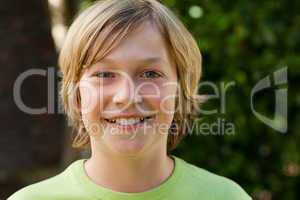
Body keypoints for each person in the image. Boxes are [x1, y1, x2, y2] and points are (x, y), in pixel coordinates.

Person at [8, 0, 252, 199]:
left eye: (150, 74)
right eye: (104, 74)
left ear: (180, 90)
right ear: (77, 93)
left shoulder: (225, 196)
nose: (127, 96)